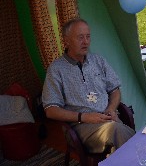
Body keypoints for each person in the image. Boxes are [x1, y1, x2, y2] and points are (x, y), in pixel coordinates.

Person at [42, 18, 135, 154]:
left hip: (108, 118)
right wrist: (84, 117)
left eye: (88, 36)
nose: (86, 42)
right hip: (81, 126)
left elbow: (115, 90)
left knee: (118, 137)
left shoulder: (98, 61)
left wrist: (111, 108)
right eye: (80, 37)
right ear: (66, 41)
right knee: (118, 132)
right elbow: (50, 110)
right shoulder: (56, 69)